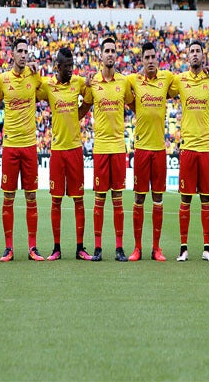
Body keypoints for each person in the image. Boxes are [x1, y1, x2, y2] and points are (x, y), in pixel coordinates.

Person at [80, 37, 134, 262]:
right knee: (100, 199)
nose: (110, 54)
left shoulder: (124, 82)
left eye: (113, 51)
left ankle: (119, 248)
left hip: (118, 148)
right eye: (107, 51)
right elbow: (82, 110)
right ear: (101, 56)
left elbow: (136, 106)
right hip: (101, 148)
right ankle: (99, 248)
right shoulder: (92, 83)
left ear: (116, 55)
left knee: (118, 199)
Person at [169, 40, 209, 262]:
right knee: (186, 199)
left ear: (203, 55)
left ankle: (207, 249)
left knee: (206, 199)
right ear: (187, 56)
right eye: (191, 51)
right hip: (188, 147)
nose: (194, 55)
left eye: (197, 51)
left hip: (205, 148)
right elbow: (163, 90)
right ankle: (183, 248)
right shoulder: (180, 80)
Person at [36, 47, 92, 261]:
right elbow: (34, 93)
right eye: (66, 66)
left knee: (79, 200)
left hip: (76, 149)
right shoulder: (49, 85)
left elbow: (89, 99)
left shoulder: (78, 82)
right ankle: (56, 248)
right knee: (56, 201)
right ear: (57, 67)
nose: (70, 70)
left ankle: (80, 248)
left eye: (72, 66)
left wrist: (79, 114)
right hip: (58, 150)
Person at [0, 38, 44, 262]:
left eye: (26, 51)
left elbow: (50, 91)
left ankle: (33, 247)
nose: (23, 55)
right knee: (8, 197)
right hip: (10, 146)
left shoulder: (35, 76)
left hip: (30, 146)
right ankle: (8, 248)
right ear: (12, 54)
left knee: (31, 197)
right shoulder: (3, 79)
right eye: (20, 51)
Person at [126, 42, 173, 262]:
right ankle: (137, 248)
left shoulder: (166, 79)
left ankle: (157, 248)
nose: (151, 60)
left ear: (158, 59)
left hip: (160, 150)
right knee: (138, 197)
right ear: (142, 60)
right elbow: (117, 86)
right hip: (142, 149)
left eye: (154, 57)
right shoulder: (133, 80)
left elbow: (184, 81)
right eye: (147, 57)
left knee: (158, 198)